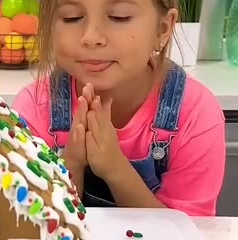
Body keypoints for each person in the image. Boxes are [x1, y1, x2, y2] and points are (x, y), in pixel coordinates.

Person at [12, 0, 225, 216]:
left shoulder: (195, 113)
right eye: (72, 17)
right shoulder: (34, 108)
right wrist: (72, 162)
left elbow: (189, 232)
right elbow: (29, 224)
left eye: (119, 17)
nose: (91, 38)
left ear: (162, 29)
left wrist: (115, 168)